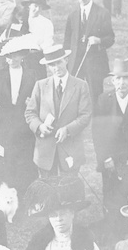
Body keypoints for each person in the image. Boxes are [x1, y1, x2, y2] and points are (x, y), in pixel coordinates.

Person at [93, 60, 128, 236]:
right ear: (112, 81)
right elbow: (98, 132)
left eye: (126, 79)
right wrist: (105, 158)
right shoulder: (104, 100)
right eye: (118, 79)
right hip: (110, 157)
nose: (122, 83)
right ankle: (111, 228)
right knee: (110, 192)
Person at [24, 44, 92, 177]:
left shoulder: (80, 86)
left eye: (59, 62)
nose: (56, 67)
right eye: (52, 65)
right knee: (48, 190)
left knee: (69, 189)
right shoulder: (40, 85)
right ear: (48, 66)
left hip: (70, 148)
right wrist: (39, 126)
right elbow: (30, 112)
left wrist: (68, 129)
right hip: (45, 150)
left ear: (66, 60)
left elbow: (85, 116)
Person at [0, 34, 40, 194]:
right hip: (1, 123)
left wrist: (31, 101)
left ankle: (23, 194)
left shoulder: (31, 74)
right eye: (7, 57)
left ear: (22, 56)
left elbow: (37, 96)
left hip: (23, 125)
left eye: (13, 57)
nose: (9, 60)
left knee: (22, 161)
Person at [63, 0, 115, 99]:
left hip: (95, 62)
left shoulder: (102, 13)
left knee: (95, 94)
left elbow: (111, 38)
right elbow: (67, 40)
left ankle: (96, 117)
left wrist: (99, 41)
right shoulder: (72, 16)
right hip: (76, 62)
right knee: (75, 94)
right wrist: (66, 57)